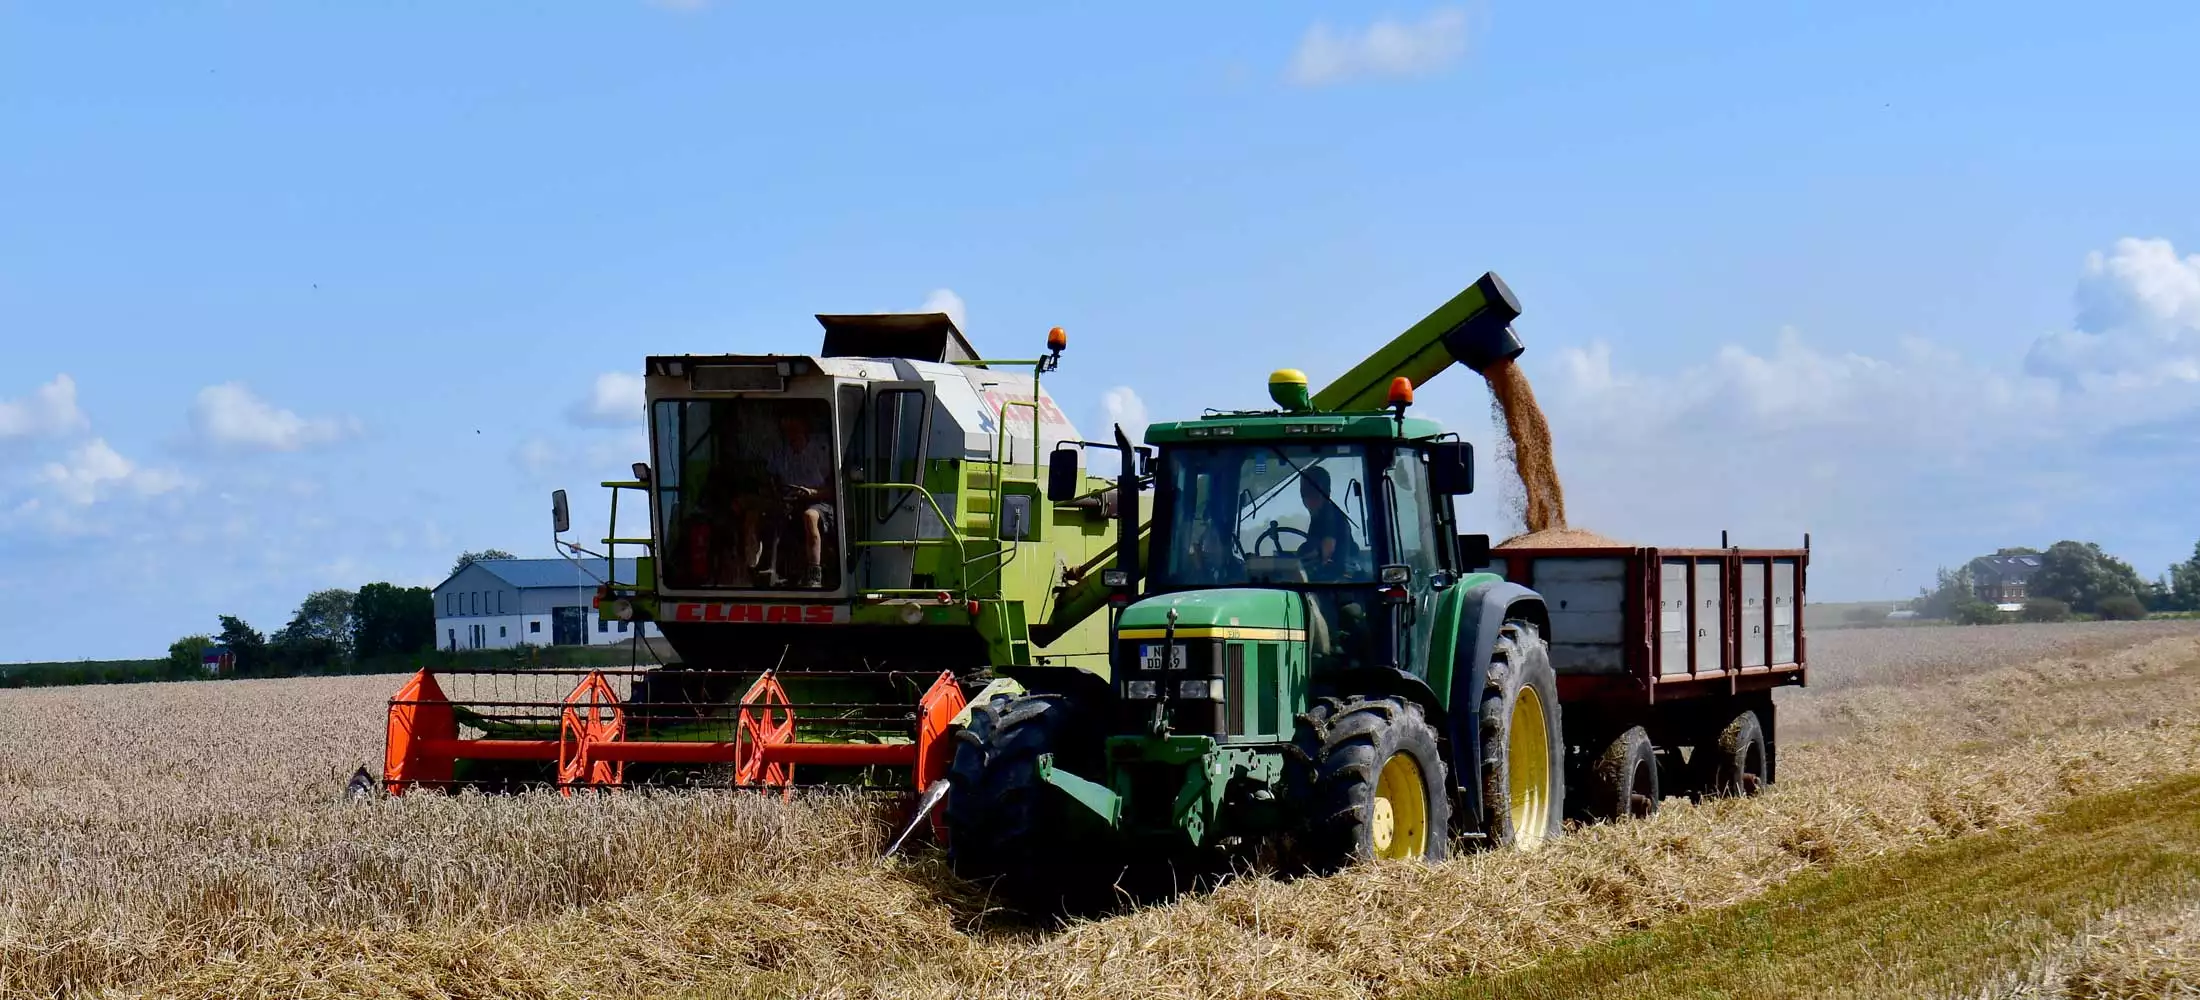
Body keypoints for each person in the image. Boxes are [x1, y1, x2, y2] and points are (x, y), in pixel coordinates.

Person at [763, 409, 837, 589]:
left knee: (809, 517)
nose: (790, 434)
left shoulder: (822, 451)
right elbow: (771, 480)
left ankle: (814, 574)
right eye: (786, 429)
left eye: (794, 429)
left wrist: (811, 493)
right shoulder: (780, 453)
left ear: (805, 428)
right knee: (759, 513)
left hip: (820, 502)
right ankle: (765, 569)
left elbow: (835, 490)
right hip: (788, 501)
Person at [1297, 464, 1360, 582]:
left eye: (1312, 493)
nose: (1307, 499)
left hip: (1338, 581)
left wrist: (1297, 559)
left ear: (1325, 493)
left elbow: (1327, 549)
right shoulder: (1318, 517)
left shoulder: (1329, 515)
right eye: (1304, 493)